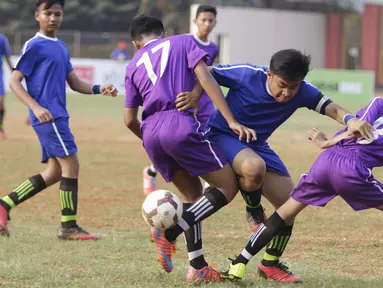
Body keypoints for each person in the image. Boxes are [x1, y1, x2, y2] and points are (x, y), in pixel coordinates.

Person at [175, 49, 373, 282]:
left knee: (290, 202)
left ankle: (270, 264)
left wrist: (352, 120)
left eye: (294, 86)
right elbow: (207, 72)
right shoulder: (248, 74)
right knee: (253, 167)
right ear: (269, 74)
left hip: (256, 143)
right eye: (283, 84)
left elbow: (332, 108)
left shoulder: (302, 91)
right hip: (222, 135)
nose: (288, 92)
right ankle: (253, 209)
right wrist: (196, 94)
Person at [124, 14, 255, 282]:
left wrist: (153, 140)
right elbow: (207, 79)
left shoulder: (132, 64)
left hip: (150, 131)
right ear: (162, 33)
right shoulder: (182, 42)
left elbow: (128, 120)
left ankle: (197, 266)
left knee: (192, 196)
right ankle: (168, 233)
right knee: (227, 187)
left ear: (136, 44)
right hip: (178, 123)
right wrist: (231, 120)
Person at [222, 96, 383, 281]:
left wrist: (327, 144)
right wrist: (325, 143)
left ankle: (239, 263)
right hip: (351, 170)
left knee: (284, 213)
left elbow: (356, 127)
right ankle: (264, 264)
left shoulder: (378, 103)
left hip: (327, 161)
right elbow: (358, 131)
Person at [0, 0, 117, 240]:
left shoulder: (61, 47)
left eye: (58, 14)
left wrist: (98, 88)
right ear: (37, 15)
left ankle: (3, 205)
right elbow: (14, 81)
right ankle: (68, 227)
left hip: (58, 115)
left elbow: (74, 82)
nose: (53, 18)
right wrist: (35, 107)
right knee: (71, 164)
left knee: (54, 171)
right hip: (48, 116)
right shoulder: (34, 45)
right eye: (48, 13)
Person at [142, 4, 219, 195]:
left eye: (211, 20)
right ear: (195, 21)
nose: (207, 24)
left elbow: (207, 75)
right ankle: (151, 171)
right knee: (177, 140)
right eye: (203, 20)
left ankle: (211, 180)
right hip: (183, 98)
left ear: (215, 23)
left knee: (207, 135)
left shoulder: (213, 48)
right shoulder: (182, 41)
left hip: (204, 100)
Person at [0, 33, 13, 139]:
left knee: (0, 104)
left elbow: (7, 56)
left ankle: (0, 129)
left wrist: (13, 71)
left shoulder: (2, 38)